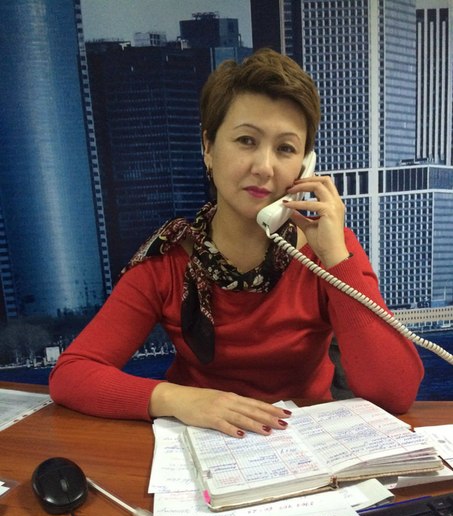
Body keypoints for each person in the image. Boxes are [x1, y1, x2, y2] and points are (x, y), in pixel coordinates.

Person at [49, 48, 424, 438]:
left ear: (304, 165)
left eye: (285, 148)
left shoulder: (327, 250)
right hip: (202, 442)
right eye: (246, 140)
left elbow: (395, 393)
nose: (263, 167)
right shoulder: (169, 258)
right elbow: (72, 374)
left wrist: (335, 259)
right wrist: (179, 399)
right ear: (208, 148)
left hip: (308, 443)